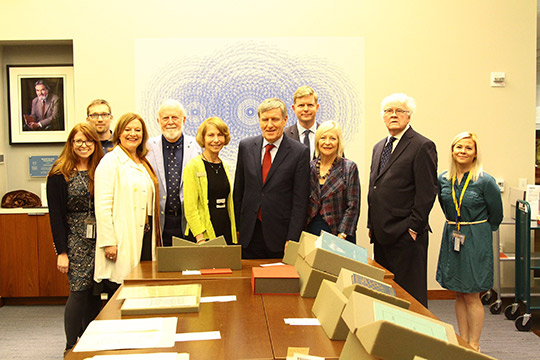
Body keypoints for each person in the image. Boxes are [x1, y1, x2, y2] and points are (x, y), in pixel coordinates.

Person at [367, 93, 437, 307]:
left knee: (409, 296)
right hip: (381, 234)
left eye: (399, 111)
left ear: (409, 116)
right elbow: (375, 187)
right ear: (383, 116)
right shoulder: (379, 147)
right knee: (385, 293)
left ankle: (414, 337)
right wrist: (372, 225)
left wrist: (414, 228)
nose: (393, 115)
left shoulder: (422, 145)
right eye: (388, 111)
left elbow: (427, 191)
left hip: (406, 235)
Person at [436, 132, 503, 352]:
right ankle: (462, 340)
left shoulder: (485, 180)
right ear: (452, 151)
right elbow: (445, 206)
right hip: (453, 235)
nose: (463, 151)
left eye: (468, 148)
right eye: (459, 147)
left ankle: (474, 344)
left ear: (475, 154)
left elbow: (496, 215)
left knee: (473, 294)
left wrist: (479, 234)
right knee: (459, 291)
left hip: (475, 238)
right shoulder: (444, 178)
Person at [46, 123, 104, 351]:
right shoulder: (59, 173)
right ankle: (70, 346)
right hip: (75, 240)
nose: (84, 145)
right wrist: (62, 252)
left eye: (89, 141)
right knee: (79, 291)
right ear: (71, 143)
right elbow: (56, 216)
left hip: (100, 238)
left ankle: (90, 341)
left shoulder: (101, 168)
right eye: (79, 141)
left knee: (95, 293)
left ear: (95, 143)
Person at [94, 113, 161, 298]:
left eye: (137, 130)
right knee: (123, 293)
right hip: (122, 238)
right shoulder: (110, 161)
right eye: (128, 129)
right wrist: (109, 242)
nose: (133, 134)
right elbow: (102, 205)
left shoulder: (142, 161)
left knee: (143, 289)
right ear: (119, 134)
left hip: (145, 236)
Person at [234, 98, 310, 259]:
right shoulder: (246, 147)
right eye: (265, 119)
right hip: (249, 234)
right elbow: (239, 191)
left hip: (280, 237)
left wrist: (292, 238)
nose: (270, 125)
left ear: (285, 120)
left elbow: (300, 201)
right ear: (259, 121)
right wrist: (237, 229)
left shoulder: (299, 152)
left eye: (275, 119)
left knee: (277, 282)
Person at [146, 99, 202, 246]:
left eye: (175, 117)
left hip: (187, 221)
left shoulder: (196, 146)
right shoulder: (148, 147)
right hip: (160, 222)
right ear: (158, 121)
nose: (170, 122)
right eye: (165, 118)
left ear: (183, 120)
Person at [183, 117, 237, 245]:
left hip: (224, 228)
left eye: (220, 135)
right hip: (202, 234)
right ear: (203, 138)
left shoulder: (225, 165)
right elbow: (190, 208)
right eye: (211, 135)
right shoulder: (193, 166)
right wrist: (200, 237)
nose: (216, 140)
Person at [305, 121, 360, 243]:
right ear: (317, 142)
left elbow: (353, 206)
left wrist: (342, 235)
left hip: (338, 234)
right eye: (323, 138)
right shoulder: (309, 167)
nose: (327, 142)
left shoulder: (349, 167)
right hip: (311, 232)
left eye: (332, 138)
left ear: (339, 142)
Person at [284, 85, 320, 159]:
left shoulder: (328, 134)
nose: (306, 109)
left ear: (317, 107)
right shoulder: (284, 136)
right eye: (301, 105)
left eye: (310, 105)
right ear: (294, 108)